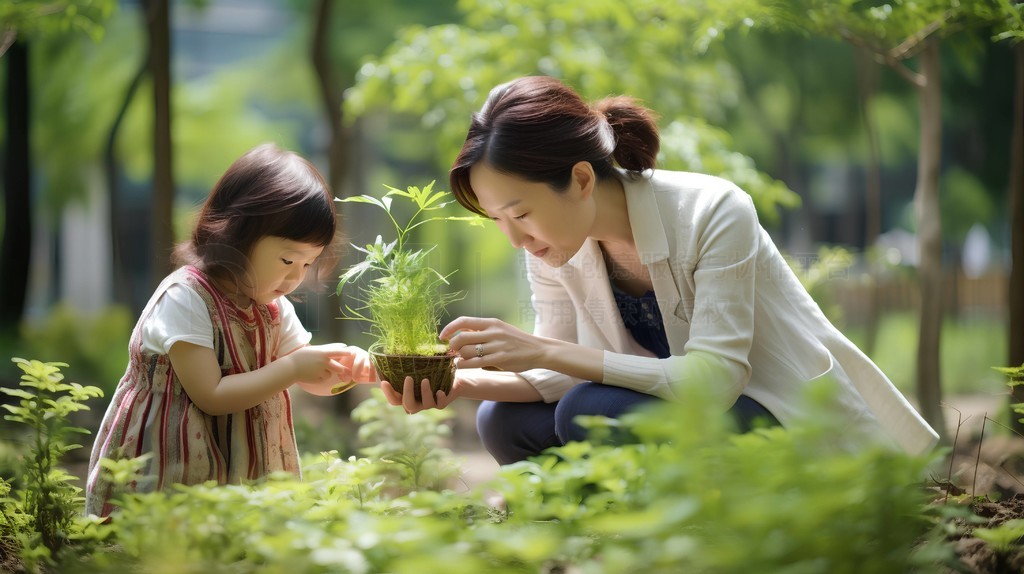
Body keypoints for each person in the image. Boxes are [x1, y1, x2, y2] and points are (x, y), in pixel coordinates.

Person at [379, 76, 940, 465]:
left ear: (580, 180)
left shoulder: (713, 211)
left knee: (589, 410)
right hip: (674, 420)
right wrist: (455, 384)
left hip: (773, 418)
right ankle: (592, 524)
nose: (516, 238)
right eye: (498, 220)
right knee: (500, 421)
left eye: (520, 213)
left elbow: (716, 381)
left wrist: (543, 351)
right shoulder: (553, 246)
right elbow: (557, 371)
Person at [85, 144, 375, 516]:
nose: (294, 277)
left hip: (241, 461)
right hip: (171, 461)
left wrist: (346, 368)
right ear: (236, 234)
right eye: (287, 259)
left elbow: (306, 376)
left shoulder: (272, 307)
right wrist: (293, 368)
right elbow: (212, 395)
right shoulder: (186, 298)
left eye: (308, 264)